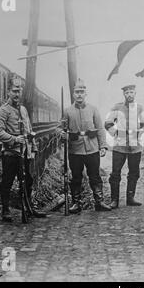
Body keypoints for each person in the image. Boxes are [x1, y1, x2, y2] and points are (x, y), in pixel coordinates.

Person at [0, 76, 47, 222]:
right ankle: (5, 209)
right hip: (11, 153)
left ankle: (28, 207)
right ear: (8, 92)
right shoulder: (2, 111)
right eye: (14, 91)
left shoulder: (23, 110)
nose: (17, 94)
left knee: (27, 180)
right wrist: (14, 139)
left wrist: (34, 147)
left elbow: (29, 130)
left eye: (19, 91)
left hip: (25, 153)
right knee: (7, 181)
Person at [59, 79, 111, 214]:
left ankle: (99, 202)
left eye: (82, 92)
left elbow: (100, 128)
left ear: (86, 93)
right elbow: (59, 128)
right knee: (76, 177)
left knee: (95, 176)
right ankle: (76, 203)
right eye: (77, 92)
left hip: (92, 148)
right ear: (73, 94)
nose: (79, 95)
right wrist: (62, 133)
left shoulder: (93, 109)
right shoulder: (67, 111)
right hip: (75, 149)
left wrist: (103, 146)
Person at [104, 84, 144, 208]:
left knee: (134, 172)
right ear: (124, 94)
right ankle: (114, 200)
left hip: (135, 147)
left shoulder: (140, 108)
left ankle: (130, 198)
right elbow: (107, 123)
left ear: (135, 93)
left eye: (131, 92)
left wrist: (139, 133)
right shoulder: (117, 107)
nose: (129, 94)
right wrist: (116, 133)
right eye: (127, 92)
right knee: (115, 173)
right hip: (120, 146)